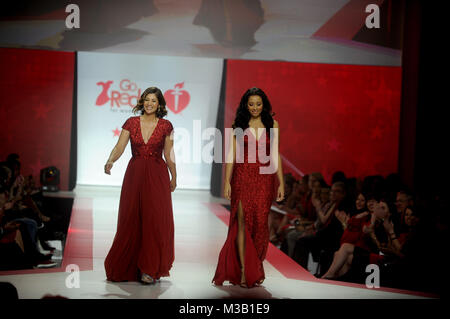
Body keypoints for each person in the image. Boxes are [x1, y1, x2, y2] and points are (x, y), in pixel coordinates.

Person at [212, 87, 284, 288]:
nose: (255, 107)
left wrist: (281, 183)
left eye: (258, 104)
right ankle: (244, 270)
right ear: (246, 105)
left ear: (264, 105)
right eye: (251, 104)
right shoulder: (239, 125)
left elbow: (276, 154)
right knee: (242, 223)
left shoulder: (273, 124)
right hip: (242, 177)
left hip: (264, 179)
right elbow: (231, 155)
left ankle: (256, 265)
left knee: (260, 224)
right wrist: (227, 181)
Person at [103, 86, 177, 284]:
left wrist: (174, 176)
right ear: (142, 102)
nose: (150, 103)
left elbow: (169, 153)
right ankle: (127, 265)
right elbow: (119, 146)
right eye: (147, 100)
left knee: (154, 220)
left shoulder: (166, 125)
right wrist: (111, 160)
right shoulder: (131, 122)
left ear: (159, 104)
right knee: (131, 218)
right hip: (134, 175)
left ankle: (149, 269)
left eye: (154, 100)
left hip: (157, 175)